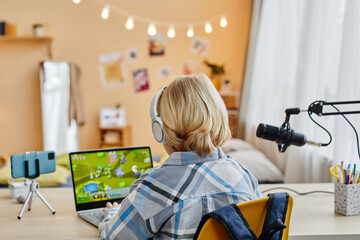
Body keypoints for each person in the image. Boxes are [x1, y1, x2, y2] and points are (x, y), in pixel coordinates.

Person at [99, 73, 262, 240]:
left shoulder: (154, 185)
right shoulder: (244, 176)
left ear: (160, 130)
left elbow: (114, 236)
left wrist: (112, 213)